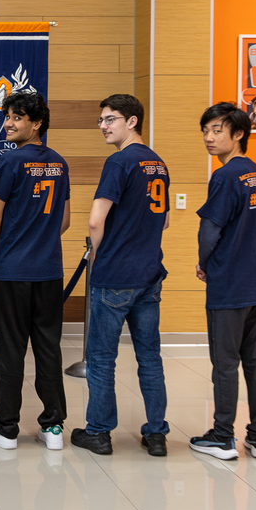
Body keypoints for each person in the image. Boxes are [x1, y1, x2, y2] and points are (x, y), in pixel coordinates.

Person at [70, 94, 171, 457]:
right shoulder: (158, 164)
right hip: (149, 275)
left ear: (132, 122)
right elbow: (166, 220)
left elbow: (96, 220)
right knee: (150, 357)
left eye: (110, 119)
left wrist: (97, 255)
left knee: (101, 358)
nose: (103, 126)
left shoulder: (119, 162)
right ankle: (157, 434)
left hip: (115, 275)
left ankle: (98, 431)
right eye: (101, 120)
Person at [0, 92, 71, 451]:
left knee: (10, 349)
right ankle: (52, 428)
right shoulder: (60, 163)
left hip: (12, 272)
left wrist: (3, 254)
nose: (8, 123)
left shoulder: (12, 162)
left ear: (37, 124)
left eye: (17, 118)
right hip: (49, 271)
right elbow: (64, 219)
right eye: (8, 116)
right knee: (49, 347)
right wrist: (41, 238)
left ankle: (6, 428)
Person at [189, 103, 256, 460]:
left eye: (217, 130)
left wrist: (203, 262)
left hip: (230, 282)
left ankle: (223, 435)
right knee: (255, 360)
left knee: (224, 362)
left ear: (238, 134)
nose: (209, 137)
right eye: (206, 130)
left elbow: (210, 229)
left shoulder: (225, 176)